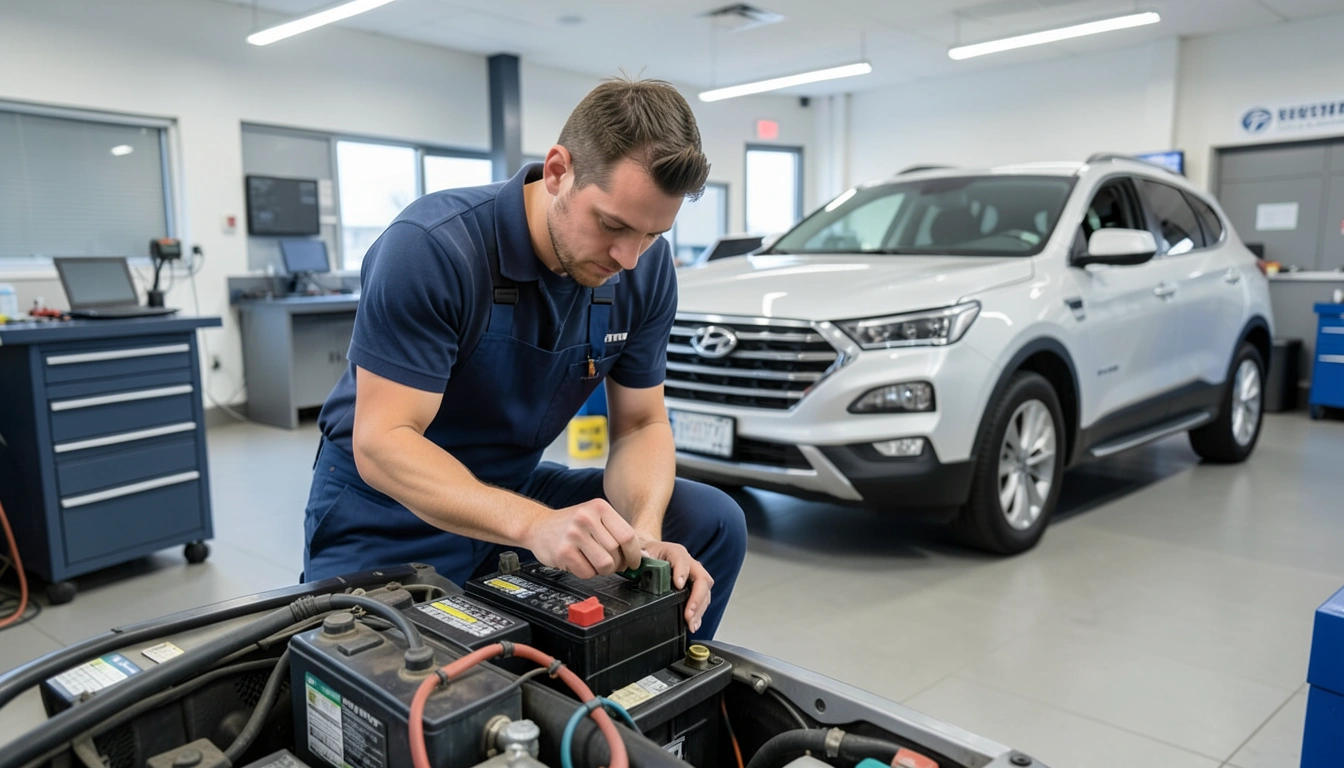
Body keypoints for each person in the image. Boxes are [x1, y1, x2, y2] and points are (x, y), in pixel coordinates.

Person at [302, 77, 747, 639]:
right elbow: (382, 442)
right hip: (388, 511)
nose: (629, 258)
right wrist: (535, 526)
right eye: (612, 225)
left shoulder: (645, 270)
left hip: (513, 490)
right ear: (558, 171)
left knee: (711, 520)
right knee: (380, 675)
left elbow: (640, 424)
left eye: (653, 234)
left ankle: (634, 691)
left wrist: (644, 535)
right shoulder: (433, 247)